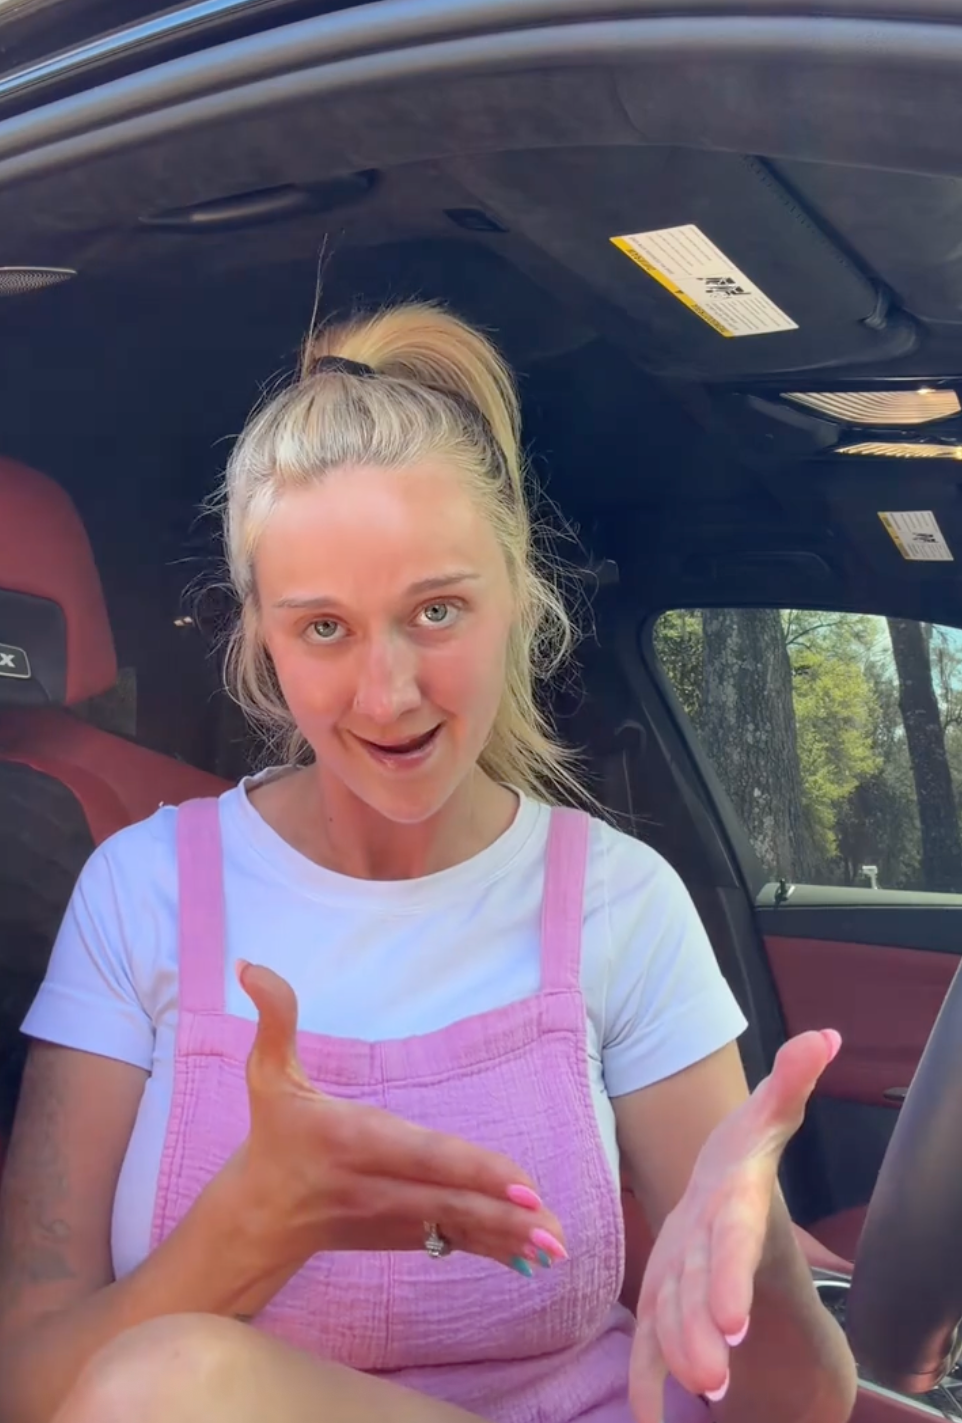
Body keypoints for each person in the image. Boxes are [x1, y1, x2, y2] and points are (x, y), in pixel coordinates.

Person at [0, 305, 856, 1423]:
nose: (388, 693)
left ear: (519, 597)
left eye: (436, 610)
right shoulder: (137, 893)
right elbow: (26, 1381)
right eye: (323, 628)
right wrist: (247, 1230)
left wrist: (756, 1251)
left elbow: (793, 1407)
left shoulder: (620, 902)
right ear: (259, 637)